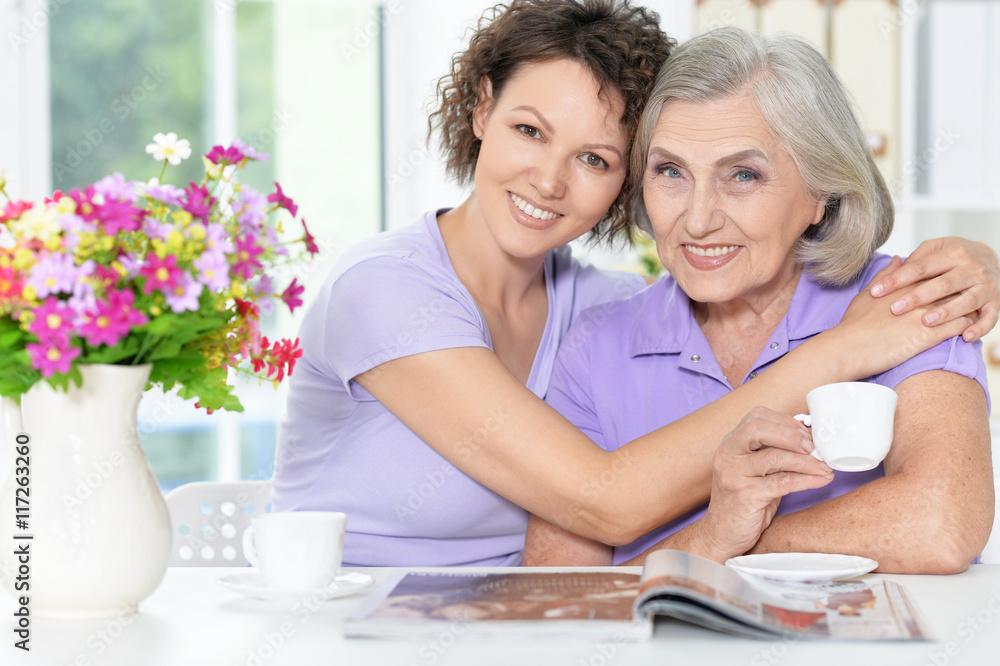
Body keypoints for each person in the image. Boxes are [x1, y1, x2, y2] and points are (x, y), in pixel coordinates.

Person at [271, 0, 999, 568]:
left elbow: (939, 522)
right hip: (352, 614)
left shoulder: (604, 307)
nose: (550, 180)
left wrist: (984, 262)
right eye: (529, 129)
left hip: (507, 625)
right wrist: (840, 355)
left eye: (595, 158)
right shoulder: (386, 291)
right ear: (482, 109)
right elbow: (604, 509)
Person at [523, 26, 994, 574]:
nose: (697, 220)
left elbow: (939, 524)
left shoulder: (904, 301)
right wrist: (714, 536)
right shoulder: (597, 346)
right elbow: (561, 595)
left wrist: (738, 545)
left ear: (821, 192)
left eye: (743, 175)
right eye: (670, 171)